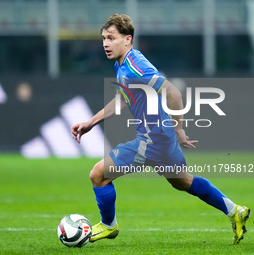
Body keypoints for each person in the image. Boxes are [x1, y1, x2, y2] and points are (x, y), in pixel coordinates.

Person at [71, 14, 250, 244]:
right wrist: (90, 123)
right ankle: (235, 210)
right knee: (183, 182)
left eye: (111, 38)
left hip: (152, 139)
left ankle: (108, 225)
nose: (106, 43)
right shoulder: (124, 64)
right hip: (161, 139)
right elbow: (123, 100)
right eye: (104, 38)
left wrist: (178, 129)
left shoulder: (135, 66)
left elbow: (173, 93)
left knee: (98, 174)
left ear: (127, 39)